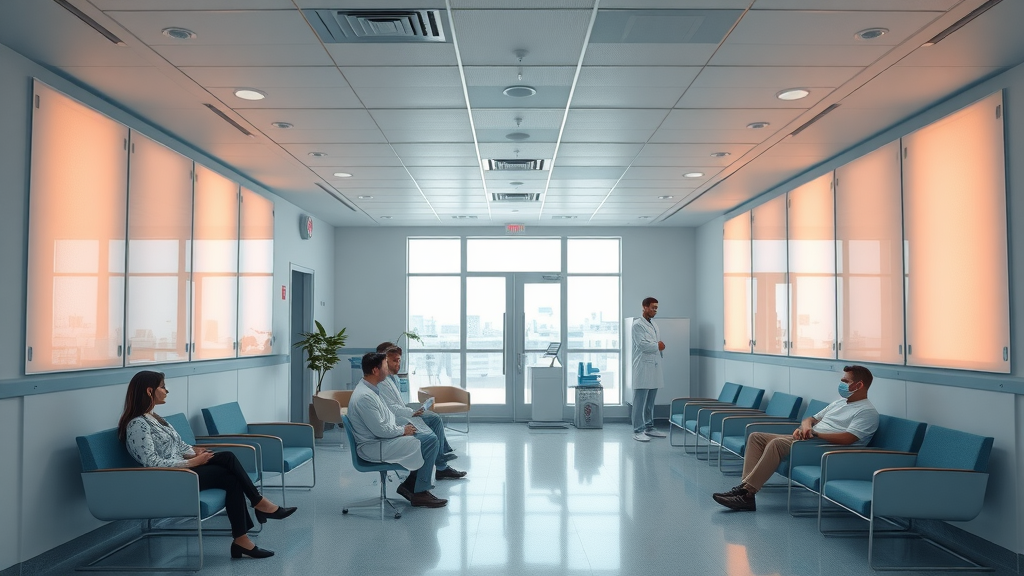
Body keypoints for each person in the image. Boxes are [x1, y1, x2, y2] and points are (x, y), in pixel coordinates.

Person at [117, 371, 296, 559]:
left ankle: (242, 539)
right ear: (149, 390)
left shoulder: (155, 418)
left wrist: (194, 451)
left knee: (230, 478)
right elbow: (151, 462)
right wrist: (191, 461)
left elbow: (178, 445)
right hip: (170, 479)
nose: (166, 390)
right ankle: (259, 504)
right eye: (162, 386)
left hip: (183, 471)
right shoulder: (138, 424)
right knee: (227, 458)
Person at [712, 365, 879, 512]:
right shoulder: (839, 403)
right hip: (811, 441)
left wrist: (816, 434)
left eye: (845, 381)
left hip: (828, 450)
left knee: (777, 444)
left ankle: (746, 493)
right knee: (756, 437)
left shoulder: (867, 412)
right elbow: (811, 419)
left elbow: (848, 438)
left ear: (859, 385)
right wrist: (805, 428)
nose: (841, 384)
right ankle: (745, 493)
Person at [348, 352, 448, 508]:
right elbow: (380, 430)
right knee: (429, 441)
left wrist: (403, 427)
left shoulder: (370, 389)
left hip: (381, 439)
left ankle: (411, 485)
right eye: (385, 366)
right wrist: (403, 430)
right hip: (374, 446)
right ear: (375, 370)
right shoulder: (365, 397)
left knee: (425, 437)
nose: (387, 370)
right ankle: (419, 492)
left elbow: (385, 419)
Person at [375, 342, 458, 462]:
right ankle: (440, 458)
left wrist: (414, 409)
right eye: (395, 360)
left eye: (399, 360)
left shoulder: (392, 377)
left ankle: (442, 453)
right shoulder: (381, 381)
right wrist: (411, 412)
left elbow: (397, 403)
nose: (398, 364)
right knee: (434, 420)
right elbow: (392, 408)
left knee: (434, 417)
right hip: (395, 419)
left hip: (400, 412)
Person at [632, 297, 666, 442]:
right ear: (644, 307)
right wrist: (657, 346)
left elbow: (655, 344)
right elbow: (642, 345)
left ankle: (649, 427)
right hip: (643, 366)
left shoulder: (654, 325)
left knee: (651, 400)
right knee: (640, 400)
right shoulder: (637, 325)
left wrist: (658, 346)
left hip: (654, 366)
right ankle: (637, 429)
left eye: (656, 308)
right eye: (653, 307)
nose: (655, 310)